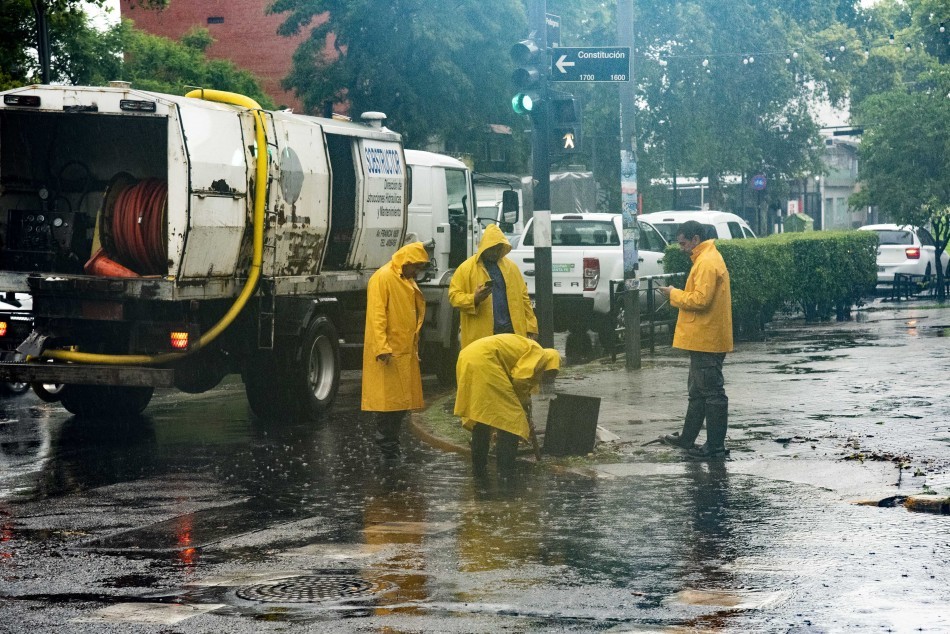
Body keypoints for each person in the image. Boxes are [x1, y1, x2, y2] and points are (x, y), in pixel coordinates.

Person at [656, 220, 733, 460]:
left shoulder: (707, 262)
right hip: (704, 336)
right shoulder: (705, 258)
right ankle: (688, 439)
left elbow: (701, 300)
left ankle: (715, 447)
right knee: (699, 391)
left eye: (683, 243)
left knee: (710, 392)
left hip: (706, 337)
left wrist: (673, 294)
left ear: (695, 239)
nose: (681, 248)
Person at [454, 333, 560, 478]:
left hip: (467, 356)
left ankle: (479, 468)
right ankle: (505, 470)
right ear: (551, 362)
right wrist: (523, 402)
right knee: (511, 420)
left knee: (482, 416)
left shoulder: (527, 347)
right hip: (485, 360)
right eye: (549, 373)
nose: (546, 377)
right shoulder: (540, 354)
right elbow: (519, 380)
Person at [361, 242, 430, 461]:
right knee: (388, 405)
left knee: (399, 403)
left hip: (402, 352)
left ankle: (390, 448)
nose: (417, 272)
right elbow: (377, 315)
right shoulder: (383, 278)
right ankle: (387, 449)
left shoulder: (403, 279)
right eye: (416, 267)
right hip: (390, 354)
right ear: (407, 262)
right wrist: (382, 347)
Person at [449, 224, 538, 349]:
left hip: (511, 333)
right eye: (492, 248)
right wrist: (474, 298)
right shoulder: (465, 269)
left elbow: (524, 299)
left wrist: (531, 327)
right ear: (484, 247)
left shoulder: (511, 268)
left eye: (499, 248)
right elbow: (454, 297)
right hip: (481, 337)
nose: (496, 253)